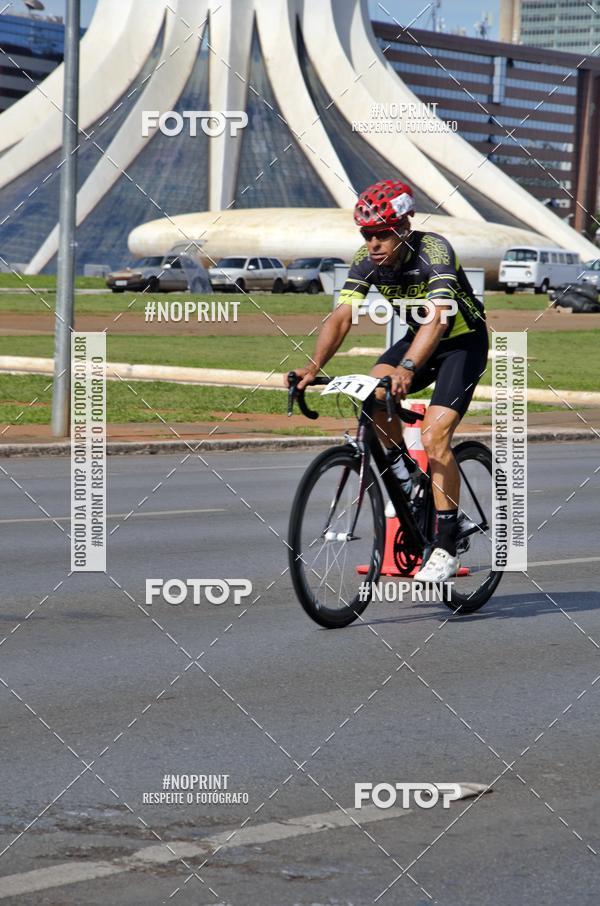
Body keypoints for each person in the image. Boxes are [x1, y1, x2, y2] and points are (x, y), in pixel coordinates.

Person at [285, 179, 489, 582]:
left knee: (434, 437)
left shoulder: (434, 251)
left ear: (404, 226)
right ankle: (404, 478)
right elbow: (342, 315)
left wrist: (408, 368)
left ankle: (447, 543)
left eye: (382, 234)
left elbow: (440, 317)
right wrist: (312, 367)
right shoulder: (366, 260)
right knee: (373, 390)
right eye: (367, 235)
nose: (374, 243)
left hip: (461, 344)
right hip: (418, 340)